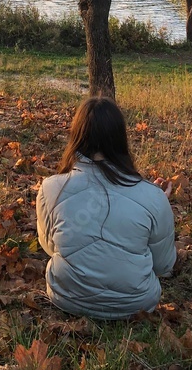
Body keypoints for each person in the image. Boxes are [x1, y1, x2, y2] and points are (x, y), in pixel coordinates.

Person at [36, 96, 176, 319]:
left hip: (66, 298)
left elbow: (49, 246)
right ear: (121, 138)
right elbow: (163, 265)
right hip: (136, 305)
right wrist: (156, 202)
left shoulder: (51, 188)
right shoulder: (154, 197)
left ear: (76, 136)